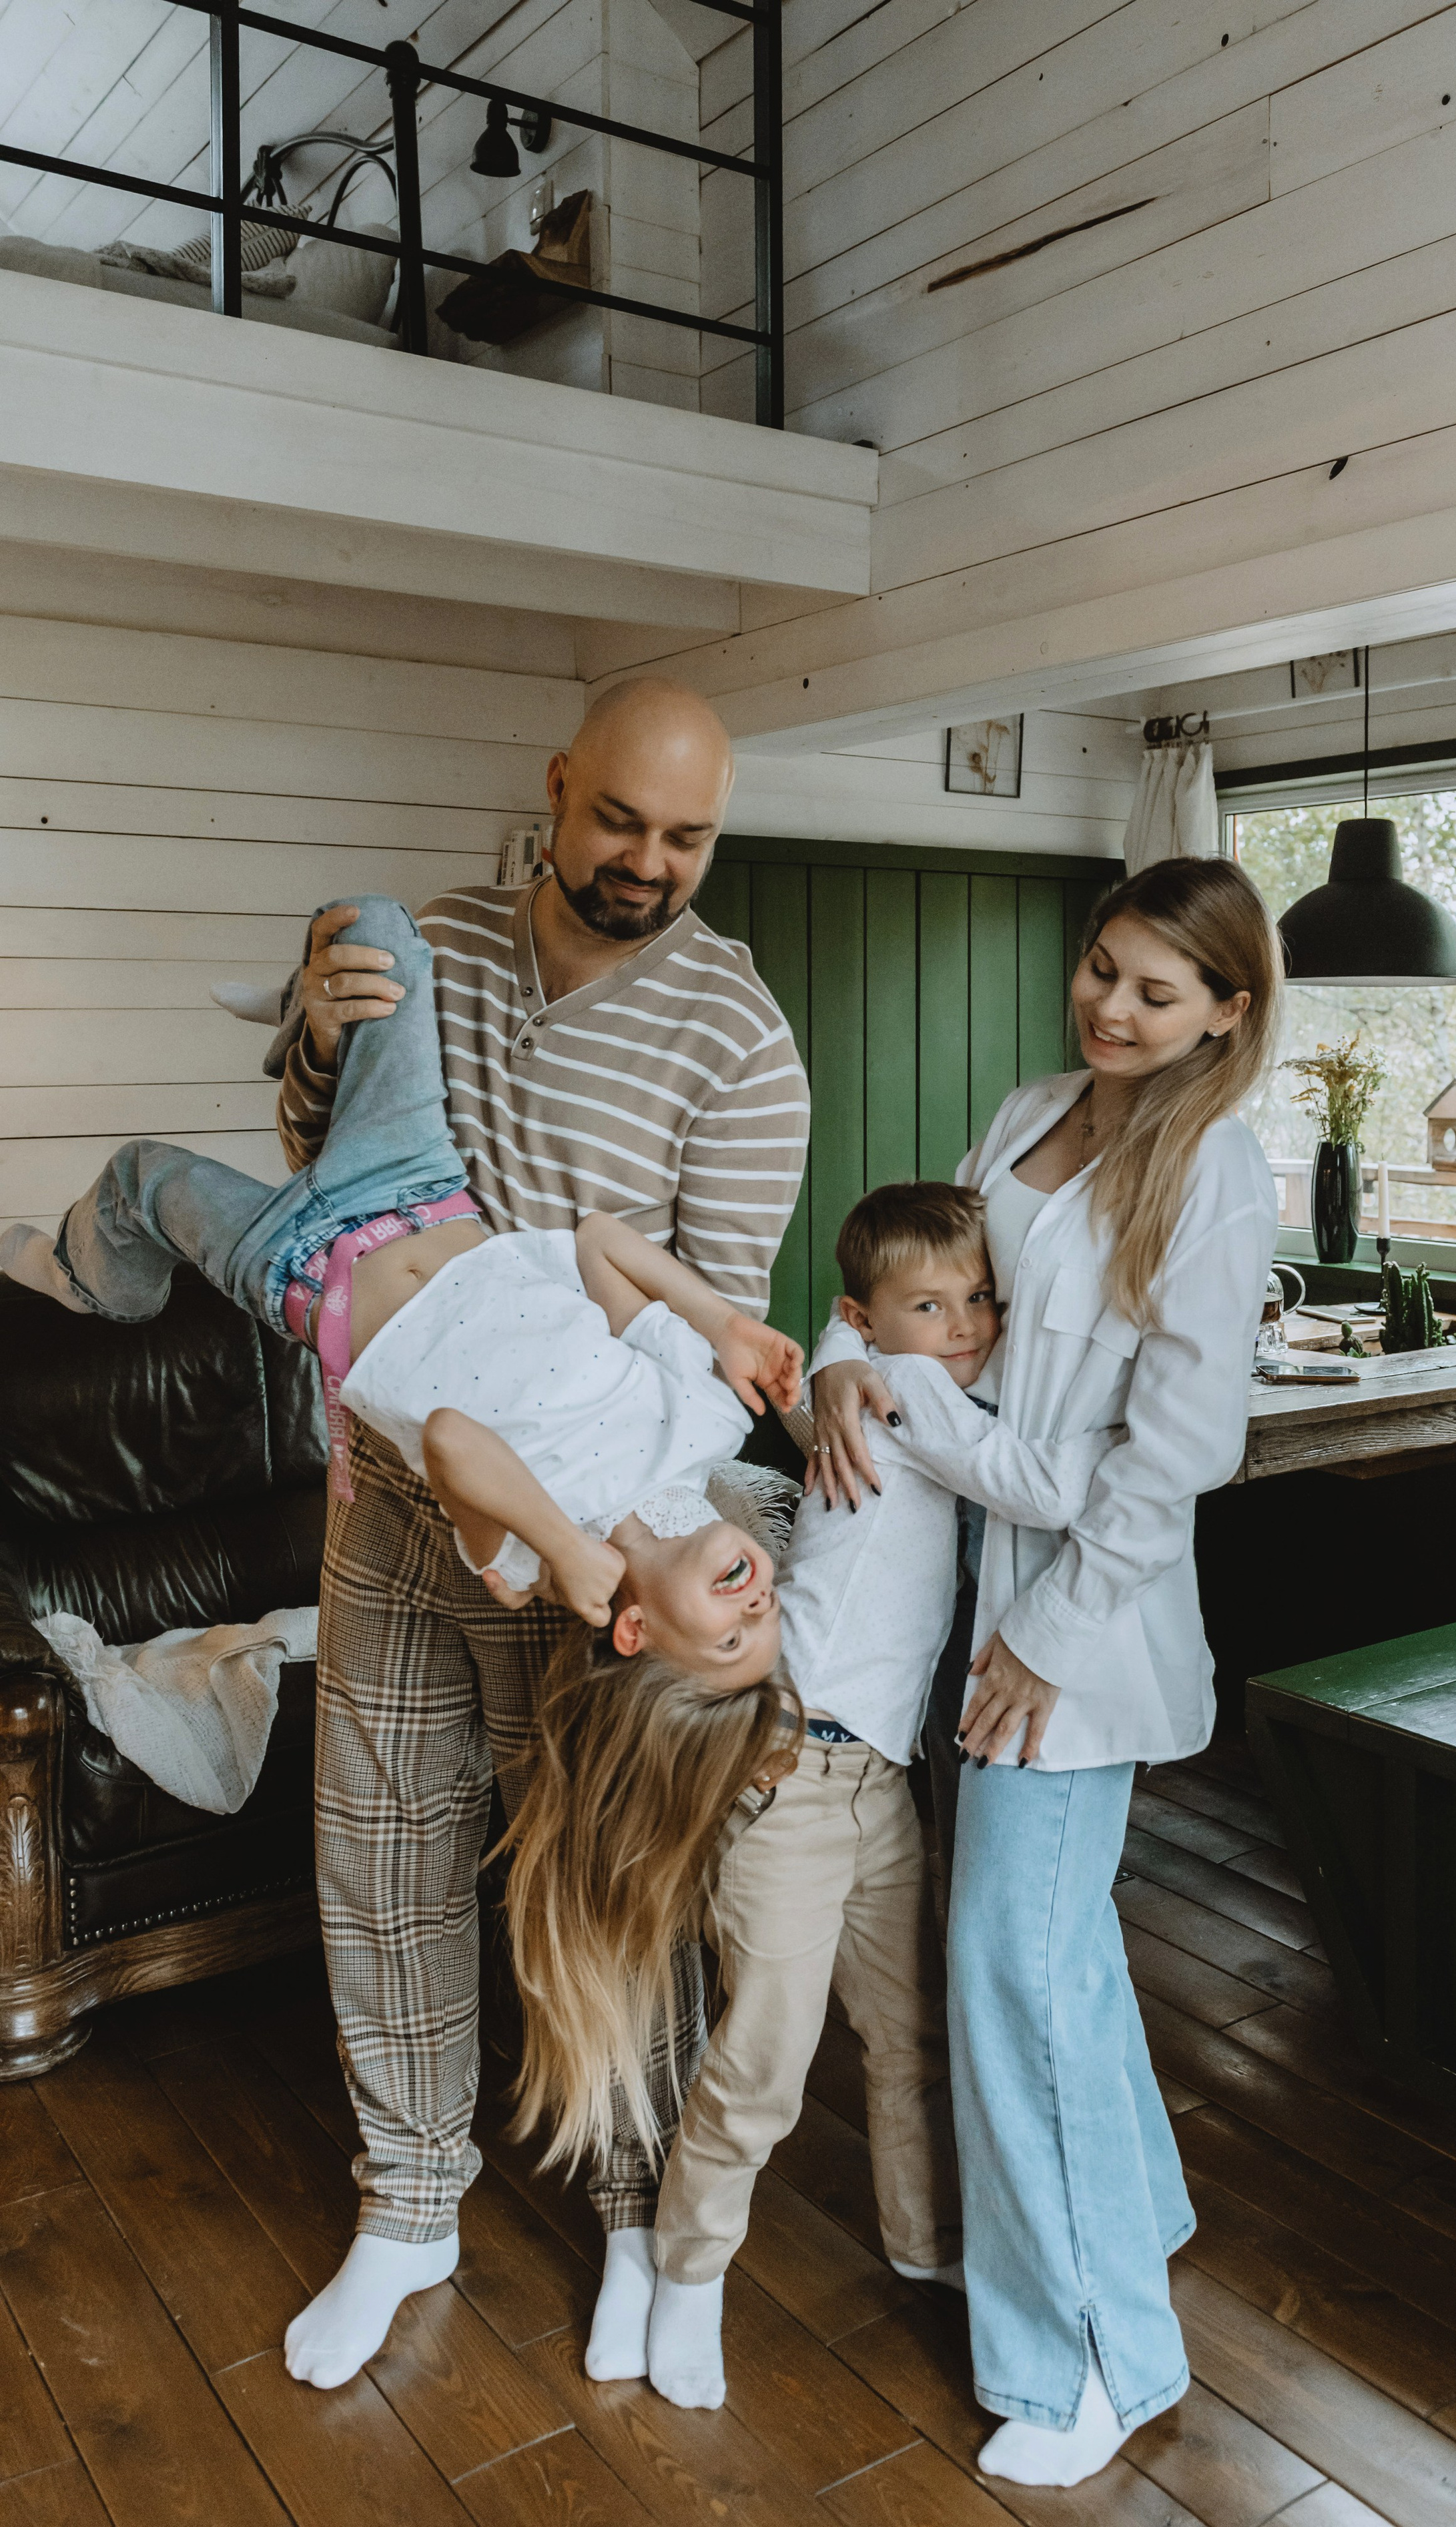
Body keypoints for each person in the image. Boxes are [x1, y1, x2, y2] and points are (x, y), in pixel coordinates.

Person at [266, 677, 805, 2389]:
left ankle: (640, 2210)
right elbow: (325, 1173)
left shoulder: (738, 1042)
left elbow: (714, 1320)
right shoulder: (441, 945)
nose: (650, 861)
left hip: (577, 1552)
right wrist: (307, 1026)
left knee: (594, 1878)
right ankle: (408, 2205)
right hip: (387, 1502)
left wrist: (618, 1571)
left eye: (689, 835)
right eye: (621, 820)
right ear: (557, 789)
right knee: (383, 1847)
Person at [809, 858, 1281, 2490]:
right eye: (1100, 969)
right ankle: (1127, 2210)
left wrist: (1046, 1638)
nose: (1110, 1006)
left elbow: (1176, 1456)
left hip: (1078, 1628)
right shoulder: (1019, 1114)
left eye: (1156, 989)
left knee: (1005, 1960)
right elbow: (904, 1302)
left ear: (1226, 1007)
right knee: (1051, 1954)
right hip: (964, 1591)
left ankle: (1093, 2354)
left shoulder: (1213, 1166)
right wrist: (833, 1378)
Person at [507, 1175, 1120, 2412]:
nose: (964, 1324)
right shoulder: (910, 1394)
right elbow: (1034, 1468)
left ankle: (924, 2243)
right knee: (767, 2056)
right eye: (932, 1304)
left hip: (881, 1780)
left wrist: (850, 1346)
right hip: (790, 1773)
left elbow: (910, 1361)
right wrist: (858, 1357)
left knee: (911, 2033)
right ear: (866, 1312)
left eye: (983, 1302)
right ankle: (688, 2275)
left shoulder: (904, 1372)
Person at [1, 897, 799, 1685]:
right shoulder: (708, 1418)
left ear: (634, 1630)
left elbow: (452, 1436)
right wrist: (722, 1323)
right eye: (774, 1617)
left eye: (733, 1642)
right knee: (380, 932)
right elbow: (599, 1239)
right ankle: (300, 1015)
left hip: (307, 1273)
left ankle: (86, 1284)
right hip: (419, 1183)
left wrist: (564, 1544)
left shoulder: (521, 1566)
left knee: (144, 1176)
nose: (758, 1605)